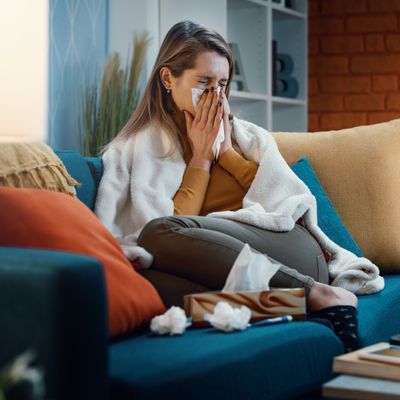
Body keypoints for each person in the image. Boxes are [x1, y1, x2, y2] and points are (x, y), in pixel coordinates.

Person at [95, 21, 362, 352]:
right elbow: (167, 239)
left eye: (222, 84)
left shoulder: (245, 138)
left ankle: (317, 293)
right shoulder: (141, 149)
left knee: (157, 233)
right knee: (147, 284)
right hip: (223, 271)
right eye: (204, 82)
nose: (216, 95)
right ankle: (296, 308)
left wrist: (226, 154)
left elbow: (287, 204)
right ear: (168, 79)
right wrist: (200, 162)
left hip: (293, 253)